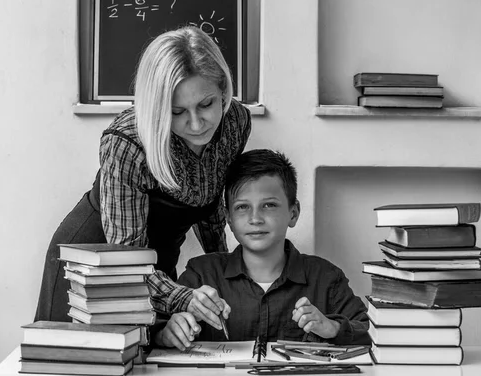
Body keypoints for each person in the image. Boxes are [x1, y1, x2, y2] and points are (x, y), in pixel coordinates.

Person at [34, 26, 251, 331]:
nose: (197, 122)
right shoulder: (127, 142)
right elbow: (125, 259)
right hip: (93, 264)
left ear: (223, 90)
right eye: (177, 111)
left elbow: (210, 201)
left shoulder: (235, 122)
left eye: (207, 104)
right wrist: (184, 297)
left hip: (157, 264)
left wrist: (226, 271)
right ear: (157, 107)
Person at [157, 149, 370, 350]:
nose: (255, 219)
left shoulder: (325, 278)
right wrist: (165, 333)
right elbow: (153, 327)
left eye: (269, 205)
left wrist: (333, 328)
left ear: (293, 213)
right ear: (228, 218)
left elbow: (370, 332)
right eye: (242, 207)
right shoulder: (201, 274)